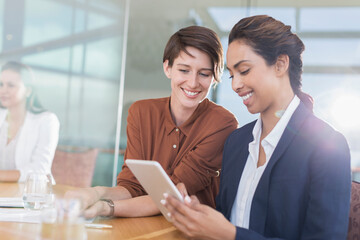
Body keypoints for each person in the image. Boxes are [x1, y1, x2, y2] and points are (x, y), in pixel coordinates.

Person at [163, 15, 351, 240]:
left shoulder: (327, 146)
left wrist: (230, 235)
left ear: (280, 64)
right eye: (232, 75)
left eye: (244, 71)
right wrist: (200, 216)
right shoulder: (236, 142)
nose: (235, 85)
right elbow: (230, 220)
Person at [65, 26, 238, 218]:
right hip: (140, 222)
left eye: (204, 74)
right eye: (184, 70)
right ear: (168, 68)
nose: (192, 82)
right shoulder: (141, 113)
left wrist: (105, 207)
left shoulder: (222, 123)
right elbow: (133, 186)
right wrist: (95, 193)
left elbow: (171, 195)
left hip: (191, 230)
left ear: (215, 77)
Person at [0, 61, 60, 182]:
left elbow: (40, 169)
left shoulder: (47, 121)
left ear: (28, 90)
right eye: (1, 84)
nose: (3, 90)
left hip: (33, 195)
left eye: (11, 85)